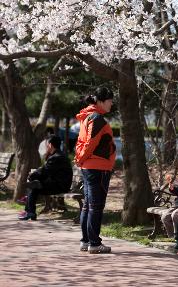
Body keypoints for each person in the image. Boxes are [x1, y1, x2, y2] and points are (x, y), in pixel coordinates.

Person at [75, 86, 116, 254]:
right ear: (100, 101)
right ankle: (94, 243)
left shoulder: (88, 116)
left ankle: (86, 241)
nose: (111, 104)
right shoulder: (97, 118)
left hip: (90, 166)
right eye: (110, 101)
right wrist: (81, 159)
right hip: (97, 167)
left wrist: (80, 160)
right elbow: (90, 143)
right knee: (95, 206)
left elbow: (82, 142)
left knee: (88, 206)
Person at [18, 135, 73, 221]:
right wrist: (34, 176)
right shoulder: (59, 155)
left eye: (47, 144)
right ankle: (29, 209)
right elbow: (45, 171)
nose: (46, 146)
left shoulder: (56, 157)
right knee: (34, 185)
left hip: (60, 186)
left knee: (33, 186)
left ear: (50, 145)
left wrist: (32, 176)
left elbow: (44, 171)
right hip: (59, 183)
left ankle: (29, 211)